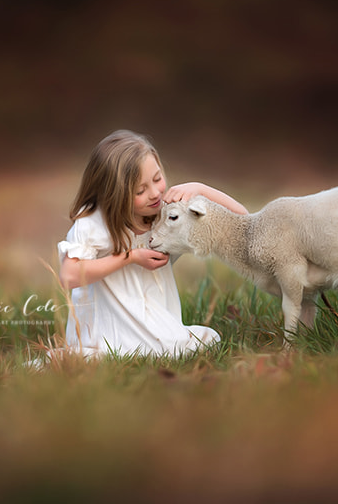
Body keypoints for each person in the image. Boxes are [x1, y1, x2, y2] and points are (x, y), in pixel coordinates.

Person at [55, 129, 248, 358]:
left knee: (204, 341)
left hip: (156, 321)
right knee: (172, 348)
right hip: (106, 329)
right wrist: (130, 257)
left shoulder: (165, 215)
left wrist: (200, 188)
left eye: (157, 179)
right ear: (114, 195)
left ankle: (159, 342)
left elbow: (242, 220)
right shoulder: (95, 224)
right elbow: (69, 276)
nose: (155, 193)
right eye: (140, 190)